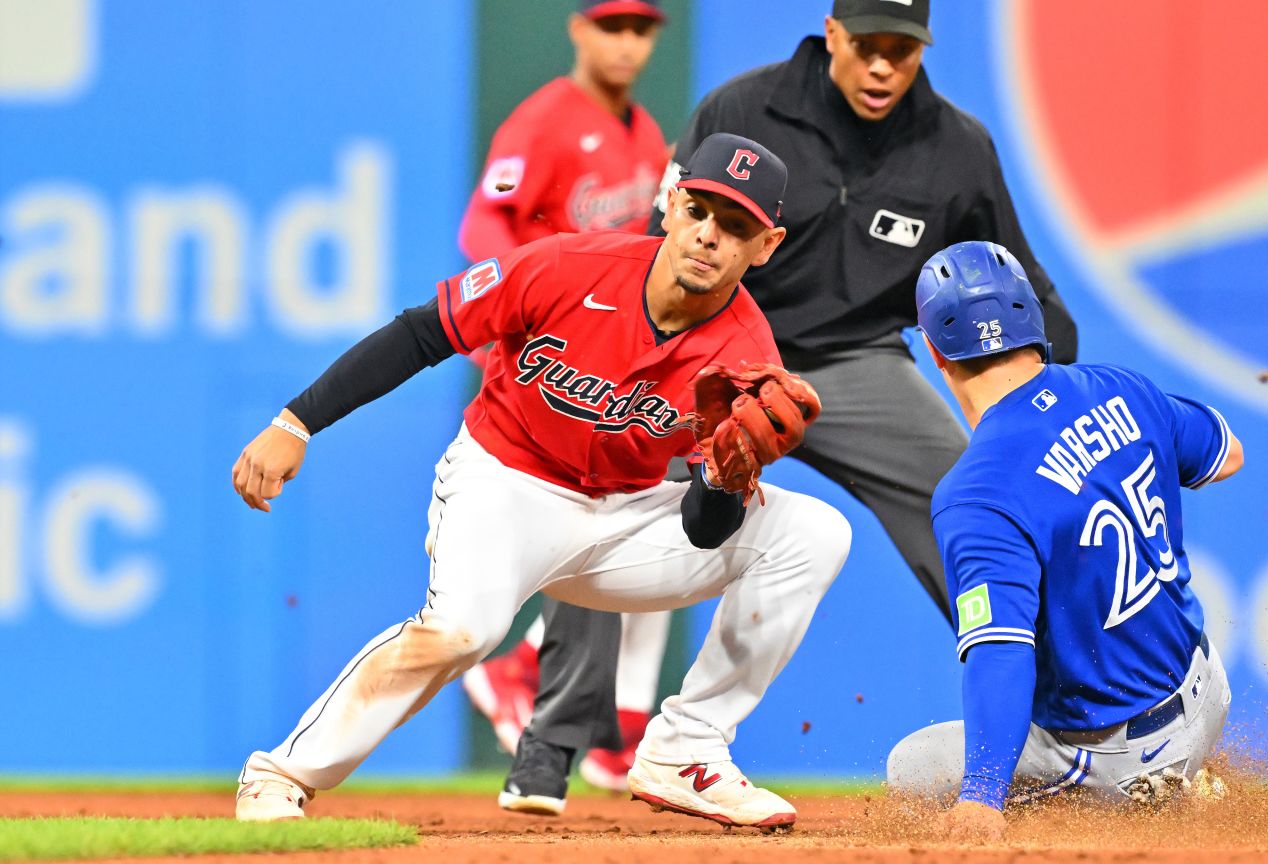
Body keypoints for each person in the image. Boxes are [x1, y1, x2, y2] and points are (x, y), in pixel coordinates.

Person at [506, 0, 1082, 814]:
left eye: (904, 50)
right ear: (834, 35)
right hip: (717, 351)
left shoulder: (955, 148)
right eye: (871, 46)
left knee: (969, 498)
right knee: (611, 479)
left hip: (856, 363)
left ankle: (1080, 727)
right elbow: (654, 241)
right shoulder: (744, 109)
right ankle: (551, 744)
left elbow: (1020, 278)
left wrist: (1060, 378)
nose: (885, 67)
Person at [229, 133, 851, 833]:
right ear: (672, 205)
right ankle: (279, 775)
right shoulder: (567, 265)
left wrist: (725, 476)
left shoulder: (747, 353)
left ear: (765, 246)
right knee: (463, 633)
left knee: (817, 531)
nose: (710, 237)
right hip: (506, 484)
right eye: (701, 211)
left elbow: (702, 532)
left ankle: (687, 749)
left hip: (629, 519)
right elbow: (423, 334)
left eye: (735, 227)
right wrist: (297, 421)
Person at [884, 241, 1242, 842]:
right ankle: (1188, 772)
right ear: (1033, 319)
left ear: (935, 354)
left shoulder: (977, 490)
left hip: (1117, 755)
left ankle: (1147, 797)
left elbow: (1001, 650)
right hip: (1208, 694)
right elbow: (1226, 453)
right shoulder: (1120, 385)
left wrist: (981, 799)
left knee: (913, 768)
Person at [455, 0, 677, 808]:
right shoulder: (544, 121)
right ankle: (573, 702)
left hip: (610, 361)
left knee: (655, 515)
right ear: (578, 28)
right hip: (547, 357)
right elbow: (485, 220)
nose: (626, 41)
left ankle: (556, 687)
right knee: (615, 521)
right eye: (611, 25)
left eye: (640, 28)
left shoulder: (645, 135)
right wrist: (520, 310)